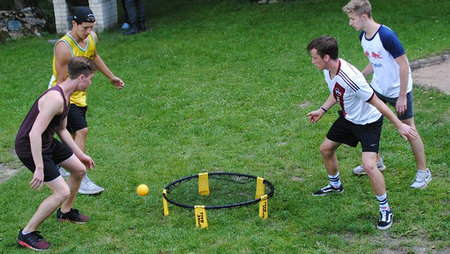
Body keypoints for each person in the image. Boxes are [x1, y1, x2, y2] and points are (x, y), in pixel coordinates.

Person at [306, 36, 418, 230]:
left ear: (326, 57)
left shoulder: (352, 78)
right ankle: (335, 185)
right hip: (349, 118)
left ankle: (385, 209)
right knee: (326, 149)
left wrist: (399, 124)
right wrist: (322, 110)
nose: (312, 61)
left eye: (314, 58)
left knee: (369, 166)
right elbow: (337, 91)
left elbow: (377, 102)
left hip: (368, 123)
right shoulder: (330, 71)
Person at [342, 0, 432, 189]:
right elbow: (375, 61)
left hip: (399, 90)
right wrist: (360, 75)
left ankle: (424, 172)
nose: (350, 23)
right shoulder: (363, 37)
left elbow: (404, 64)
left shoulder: (386, 35)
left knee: (409, 130)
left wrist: (401, 96)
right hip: (378, 88)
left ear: (364, 16)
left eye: (352, 18)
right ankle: (377, 161)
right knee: (367, 123)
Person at [16, 57, 96, 251]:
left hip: (48, 142)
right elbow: (34, 133)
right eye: (91, 79)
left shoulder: (68, 96)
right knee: (61, 191)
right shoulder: (55, 98)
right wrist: (39, 167)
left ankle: (65, 212)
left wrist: (80, 155)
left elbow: (62, 130)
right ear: (82, 77)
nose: (91, 83)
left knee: (78, 170)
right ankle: (27, 233)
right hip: (30, 146)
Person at [49, 6, 125, 195]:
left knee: (74, 135)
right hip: (64, 94)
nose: (89, 32)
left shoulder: (91, 38)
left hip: (80, 94)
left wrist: (111, 77)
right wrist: (63, 104)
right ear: (74, 23)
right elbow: (60, 80)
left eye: (91, 27)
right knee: (81, 130)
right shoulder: (64, 47)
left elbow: (94, 57)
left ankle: (65, 166)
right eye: (84, 28)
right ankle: (80, 177)